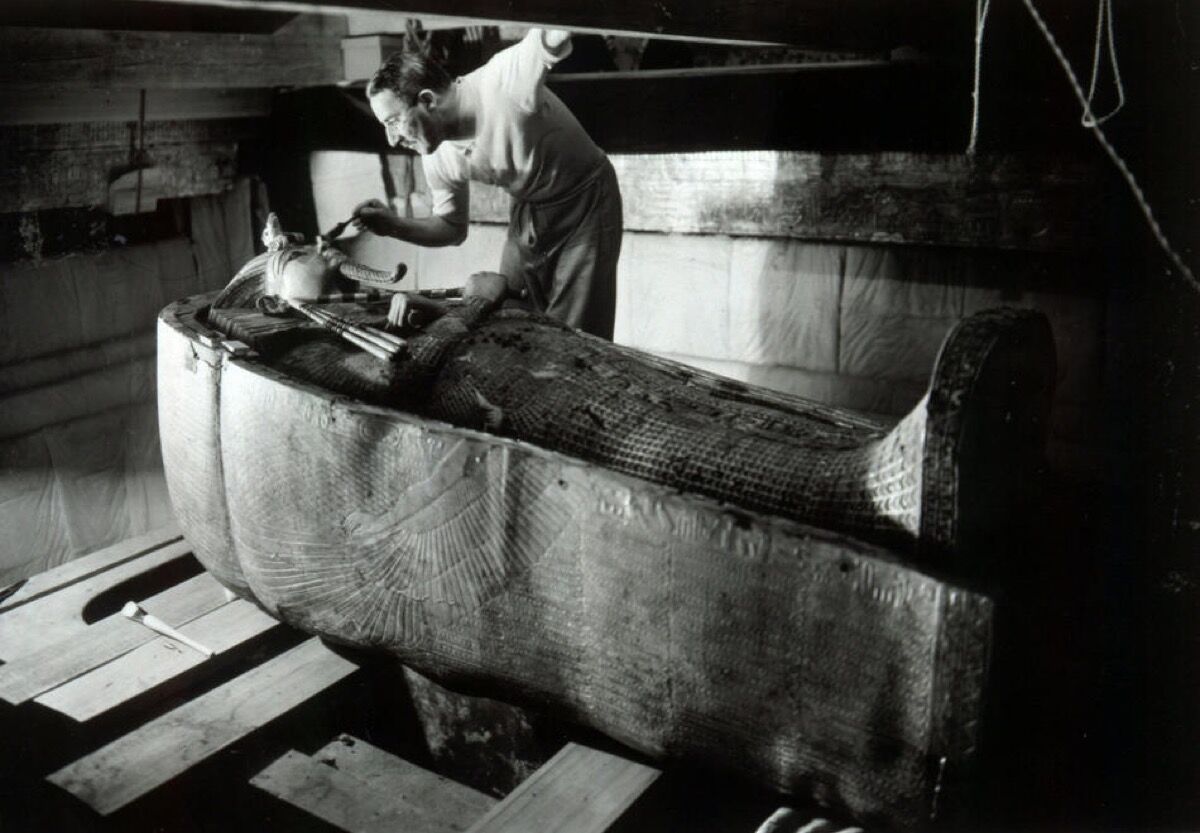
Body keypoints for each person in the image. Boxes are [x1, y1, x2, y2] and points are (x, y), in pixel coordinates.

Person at [355, 27, 622, 340]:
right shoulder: (436, 153)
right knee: (507, 314)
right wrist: (392, 225)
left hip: (586, 201)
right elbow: (452, 228)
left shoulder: (502, 79)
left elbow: (556, 30)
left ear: (427, 100)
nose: (392, 138)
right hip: (529, 207)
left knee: (575, 336)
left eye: (393, 122)